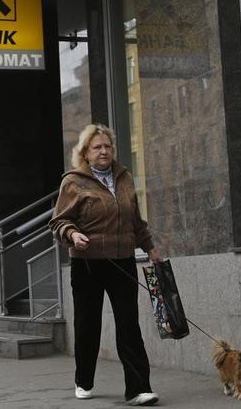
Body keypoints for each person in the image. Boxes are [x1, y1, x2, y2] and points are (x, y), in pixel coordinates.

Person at [50, 124, 163, 406]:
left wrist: (150, 249)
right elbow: (59, 221)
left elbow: (135, 220)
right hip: (87, 263)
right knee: (88, 324)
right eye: (97, 147)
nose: (104, 151)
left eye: (107, 146)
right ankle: (83, 380)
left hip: (122, 260)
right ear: (85, 153)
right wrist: (72, 234)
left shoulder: (123, 177)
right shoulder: (73, 182)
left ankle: (138, 389)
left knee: (129, 324)